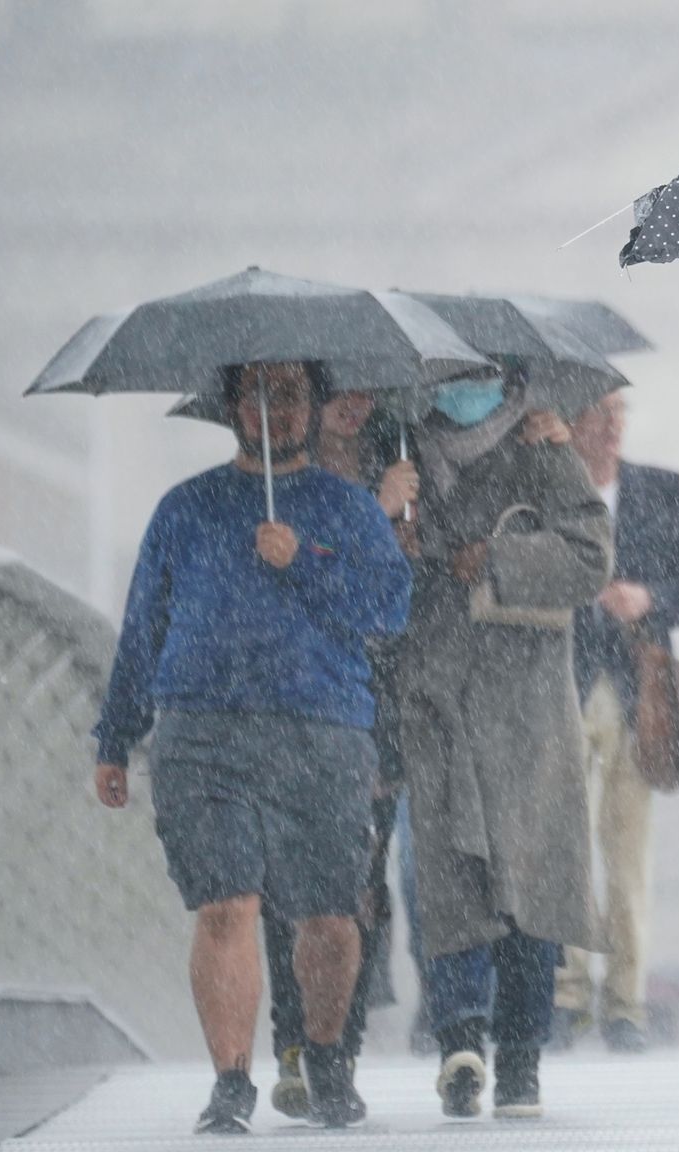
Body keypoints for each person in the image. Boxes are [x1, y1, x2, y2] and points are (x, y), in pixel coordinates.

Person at [92, 361, 412, 1133]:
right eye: (258, 394)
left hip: (321, 729)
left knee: (330, 916)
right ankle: (230, 1083)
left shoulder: (348, 509)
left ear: (315, 406)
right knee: (226, 908)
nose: (274, 410)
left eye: (291, 395)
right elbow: (144, 626)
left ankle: (327, 1060)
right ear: (232, 405)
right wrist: (115, 735)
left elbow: (390, 608)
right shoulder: (185, 509)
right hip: (201, 732)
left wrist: (301, 560)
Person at [396, 377, 613, 1119]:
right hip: (436, 689)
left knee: (528, 881)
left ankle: (521, 1056)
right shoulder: (399, 446)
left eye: (478, 374)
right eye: (447, 376)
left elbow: (591, 557)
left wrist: (498, 557)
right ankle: (459, 1038)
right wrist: (390, 526)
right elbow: (370, 566)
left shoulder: (544, 448)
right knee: (447, 870)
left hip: (524, 701)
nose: (461, 390)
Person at [260, 389, 420, 1119]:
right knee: (279, 885)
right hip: (289, 702)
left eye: (366, 391)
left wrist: (394, 521)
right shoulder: (270, 487)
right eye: (336, 390)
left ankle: (336, 1051)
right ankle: (291, 1042)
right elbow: (290, 591)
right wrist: (370, 519)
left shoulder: (405, 467)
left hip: (374, 704)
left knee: (357, 882)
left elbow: (388, 600)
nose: (352, 405)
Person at [554, 388, 679, 1054]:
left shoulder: (660, 488)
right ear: (573, 421)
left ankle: (625, 1002)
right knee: (565, 844)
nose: (613, 425)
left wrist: (646, 598)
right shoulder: (550, 491)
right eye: (600, 412)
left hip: (638, 687)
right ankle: (565, 995)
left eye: (620, 412)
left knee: (627, 852)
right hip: (563, 683)